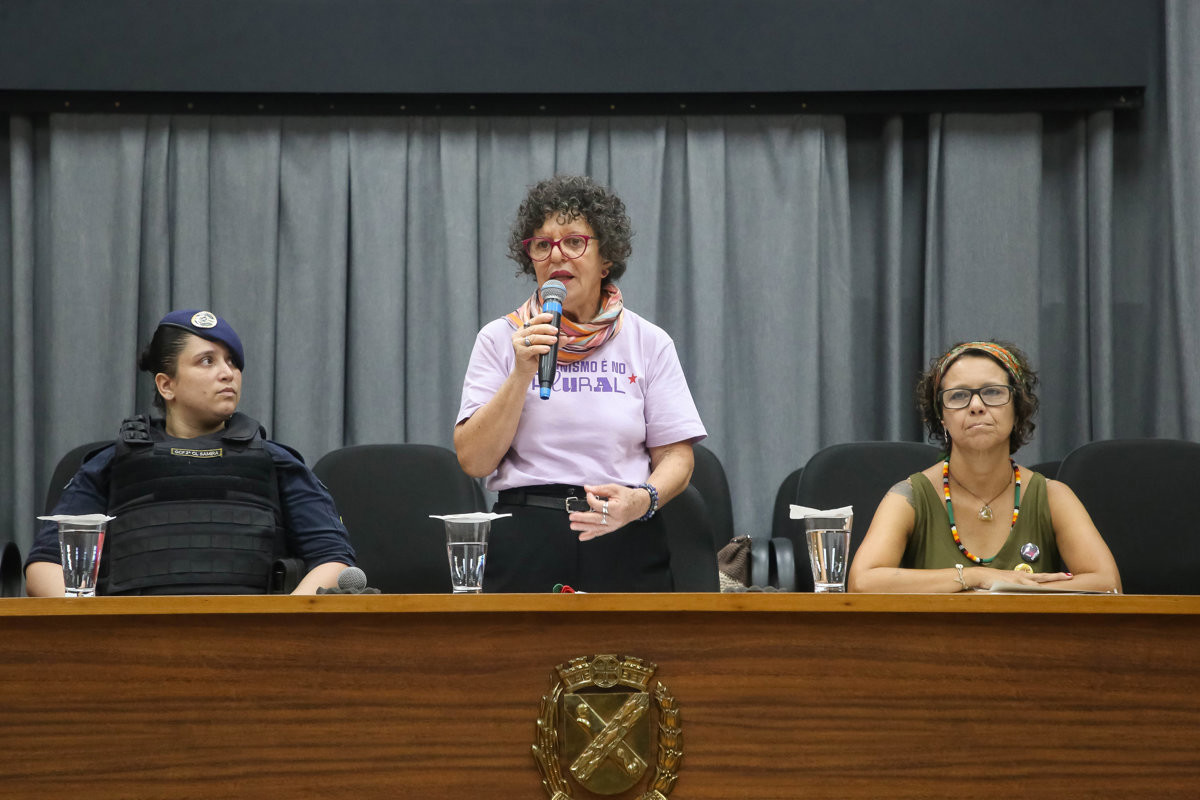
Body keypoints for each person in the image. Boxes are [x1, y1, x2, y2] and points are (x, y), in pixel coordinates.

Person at [454, 175, 707, 592]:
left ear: (605, 259)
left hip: (623, 530)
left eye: (574, 242)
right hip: (526, 534)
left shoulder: (648, 341)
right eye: (542, 245)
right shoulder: (500, 338)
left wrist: (641, 500)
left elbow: (677, 457)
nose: (557, 255)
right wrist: (521, 373)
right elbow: (475, 461)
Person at [25, 310, 355, 596]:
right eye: (207, 361)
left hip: (254, 638)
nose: (228, 373)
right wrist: (100, 629)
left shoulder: (276, 461)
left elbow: (334, 560)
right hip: (131, 638)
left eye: (232, 362)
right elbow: (44, 566)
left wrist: (280, 624)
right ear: (166, 385)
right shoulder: (110, 463)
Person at [848, 340, 1121, 593]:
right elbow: (862, 583)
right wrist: (976, 576)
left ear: (1017, 409)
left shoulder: (1053, 496)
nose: (976, 406)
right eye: (958, 396)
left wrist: (1017, 595)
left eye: (992, 392)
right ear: (941, 417)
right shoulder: (908, 496)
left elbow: (1108, 585)